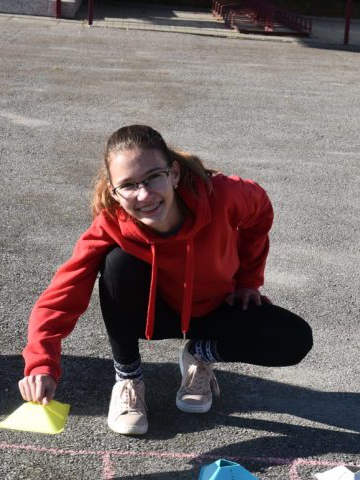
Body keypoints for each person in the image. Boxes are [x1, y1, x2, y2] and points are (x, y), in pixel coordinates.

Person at [18, 125, 313, 436]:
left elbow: (261, 211)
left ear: (174, 173)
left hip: (215, 309)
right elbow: (63, 294)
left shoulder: (223, 195)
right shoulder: (110, 224)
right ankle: (128, 378)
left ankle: (200, 353)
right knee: (117, 263)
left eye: (153, 177)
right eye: (128, 185)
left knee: (294, 339)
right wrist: (41, 362)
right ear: (114, 192)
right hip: (155, 316)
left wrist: (248, 280)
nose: (144, 195)